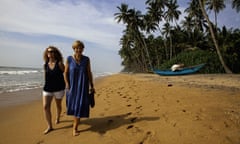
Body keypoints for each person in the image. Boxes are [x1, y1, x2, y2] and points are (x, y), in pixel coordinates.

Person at [64, 40, 95, 136]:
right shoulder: (69, 59)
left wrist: (92, 85)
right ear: (74, 49)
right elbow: (65, 73)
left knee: (80, 105)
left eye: (80, 48)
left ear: (83, 49)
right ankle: (76, 120)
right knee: (73, 106)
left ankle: (75, 128)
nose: (79, 49)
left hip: (83, 86)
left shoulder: (86, 59)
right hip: (72, 87)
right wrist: (67, 84)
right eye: (77, 48)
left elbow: (89, 72)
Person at [42, 46, 65, 134]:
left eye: (52, 52)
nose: (50, 53)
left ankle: (58, 117)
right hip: (47, 89)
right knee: (45, 107)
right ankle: (50, 126)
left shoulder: (59, 64)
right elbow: (45, 77)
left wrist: (68, 85)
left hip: (59, 88)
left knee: (58, 105)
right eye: (48, 52)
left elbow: (66, 74)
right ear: (47, 54)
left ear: (55, 53)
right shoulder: (45, 65)